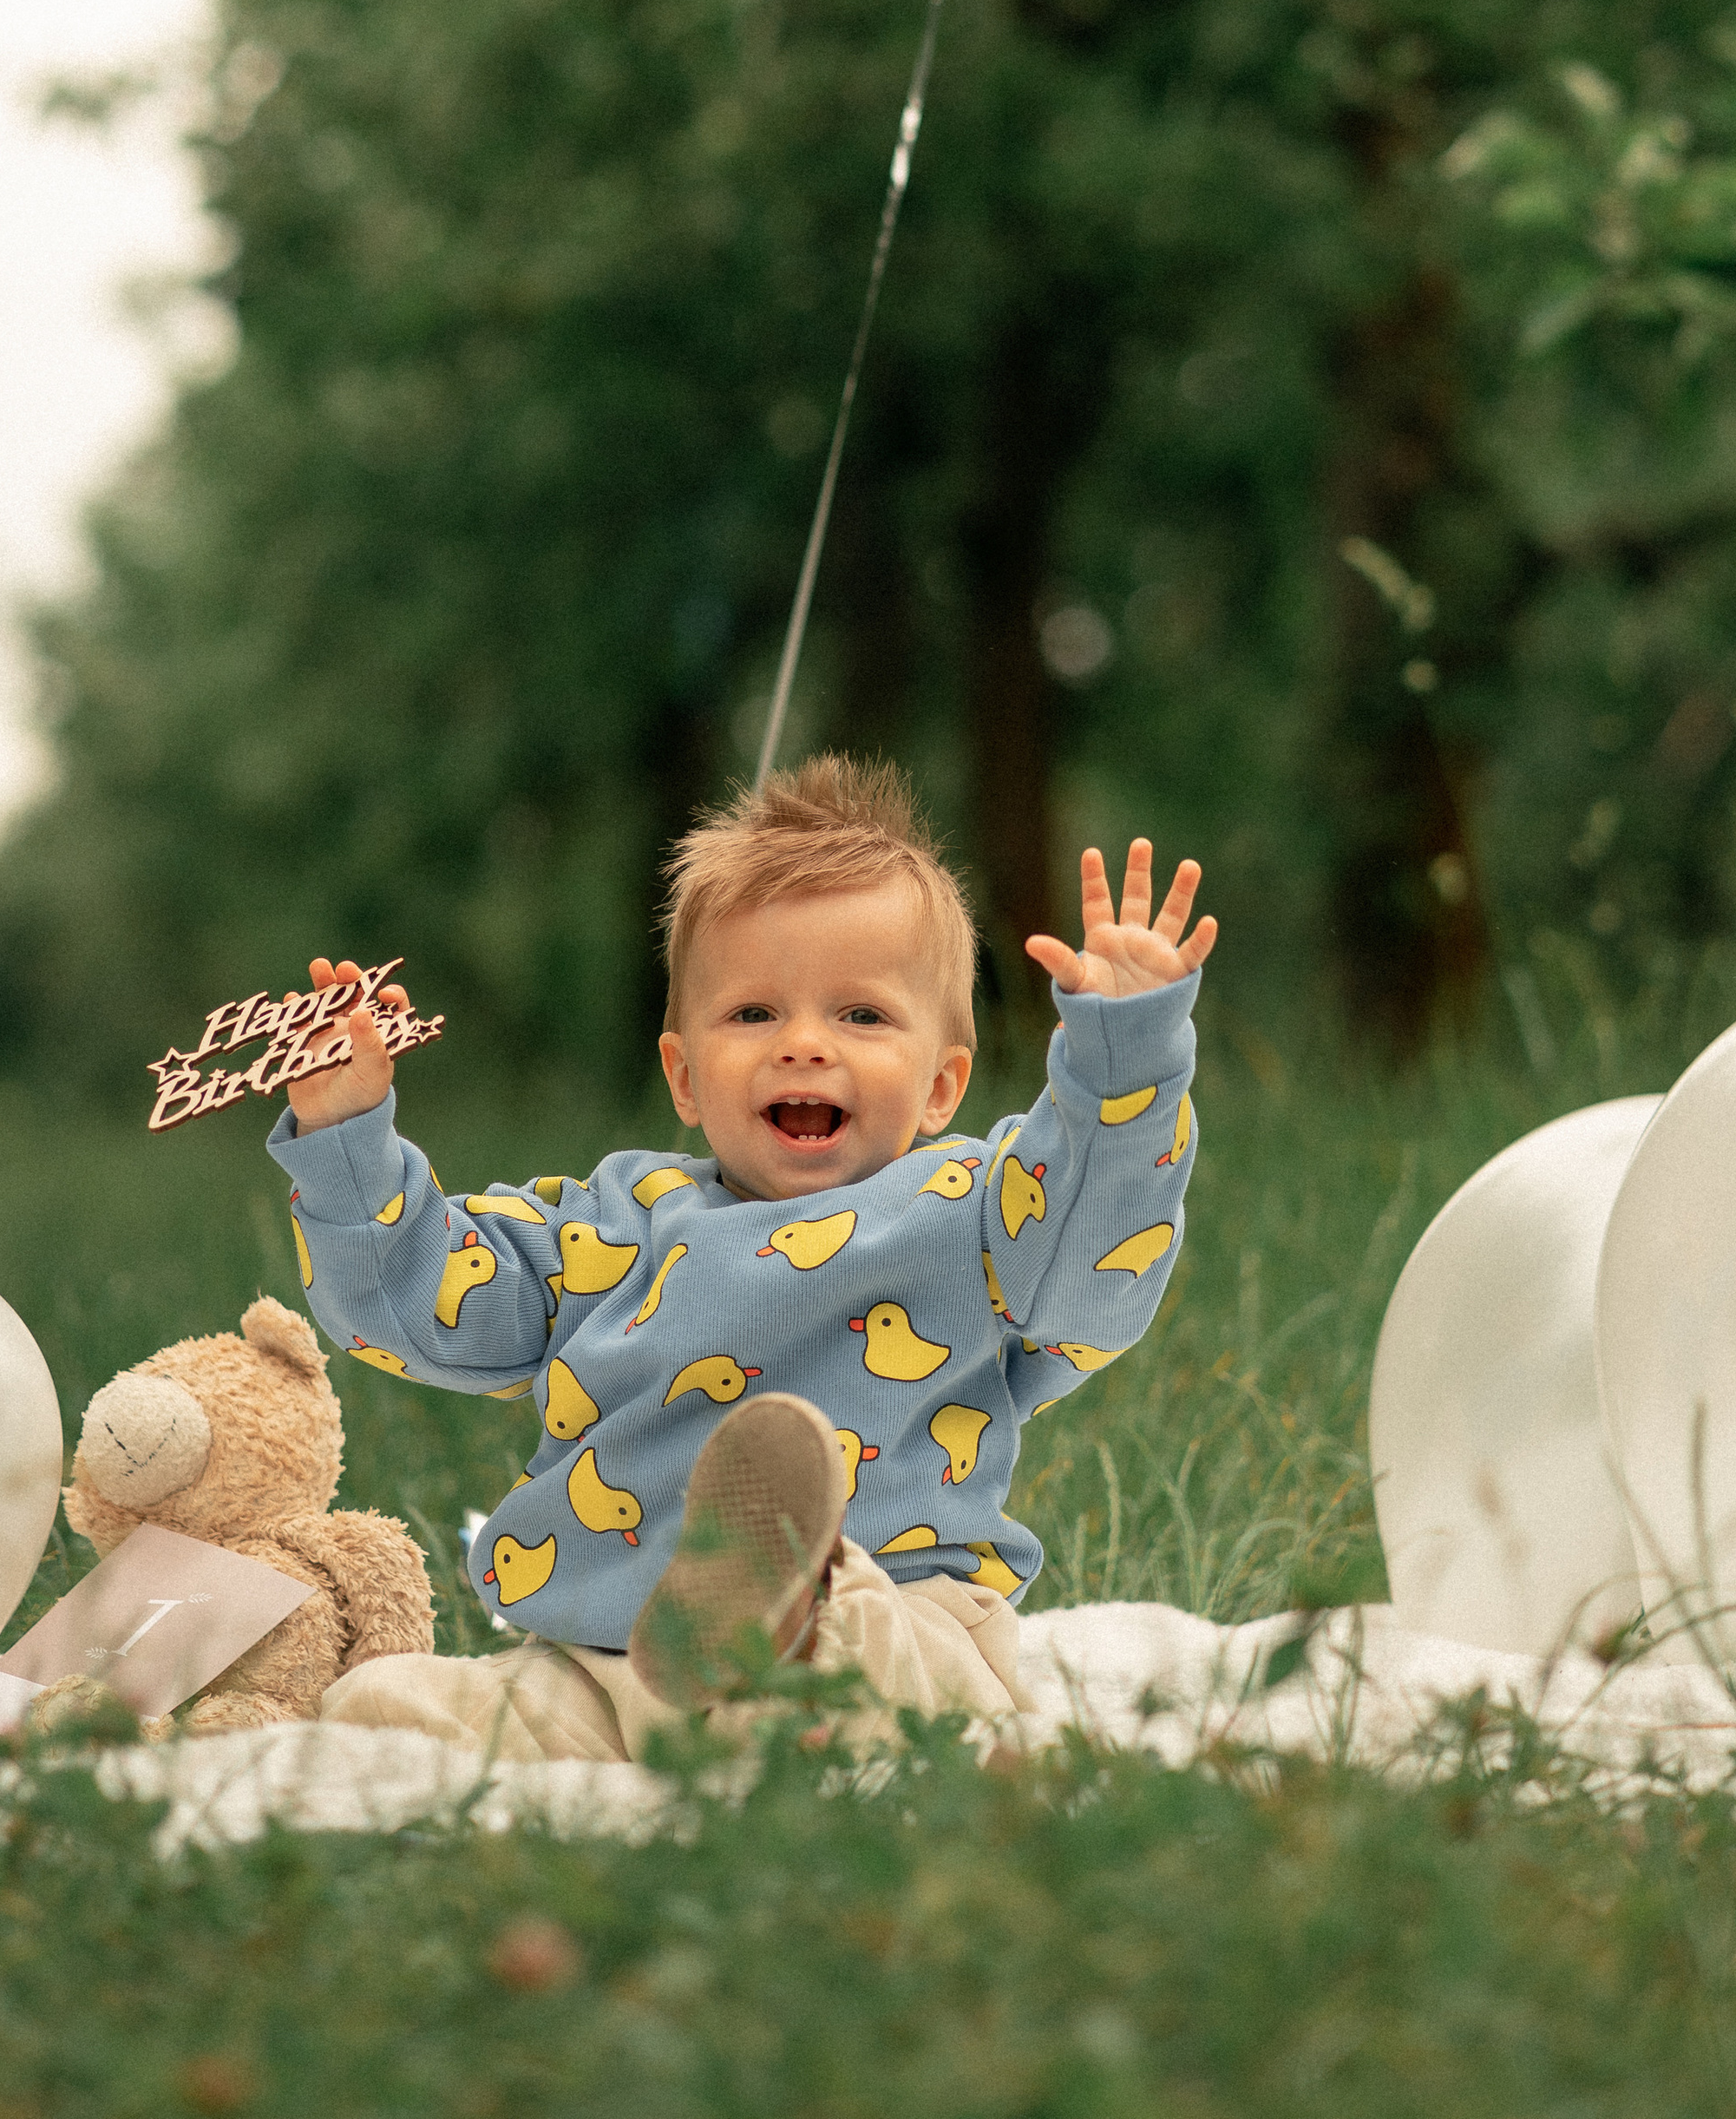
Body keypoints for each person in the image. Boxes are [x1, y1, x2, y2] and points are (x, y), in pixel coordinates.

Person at [265, 752, 1211, 1760]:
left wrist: (1124, 1059)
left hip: (889, 1612)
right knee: (391, 1712)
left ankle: (797, 1646)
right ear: (683, 1075)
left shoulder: (976, 1214)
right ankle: (695, 1718)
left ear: (942, 1088)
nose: (802, 1043)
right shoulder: (615, 1224)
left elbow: (1093, 1264)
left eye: (861, 1014)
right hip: (615, 1657)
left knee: (870, 1658)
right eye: (753, 1013)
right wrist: (347, 1139)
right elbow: (414, 1306)